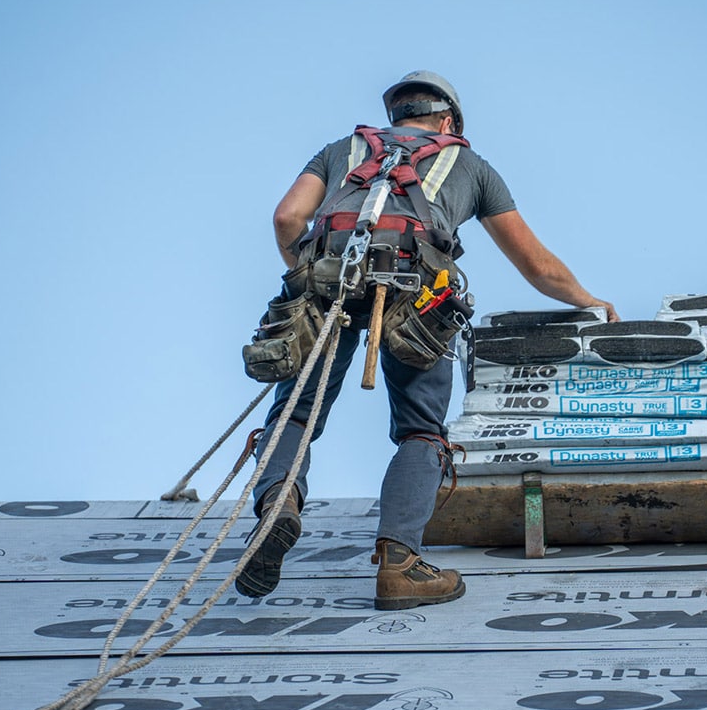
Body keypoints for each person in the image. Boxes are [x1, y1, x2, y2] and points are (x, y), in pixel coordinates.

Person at [236, 71, 619, 609]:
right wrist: (589, 301)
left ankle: (277, 509)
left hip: (327, 279)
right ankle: (399, 566)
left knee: (296, 413)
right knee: (421, 431)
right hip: (417, 292)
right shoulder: (470, 164)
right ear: (448, 122)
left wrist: (311, 277)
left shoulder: (341, 150)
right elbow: (535, 263)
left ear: (397, 116)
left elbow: (287, 218)